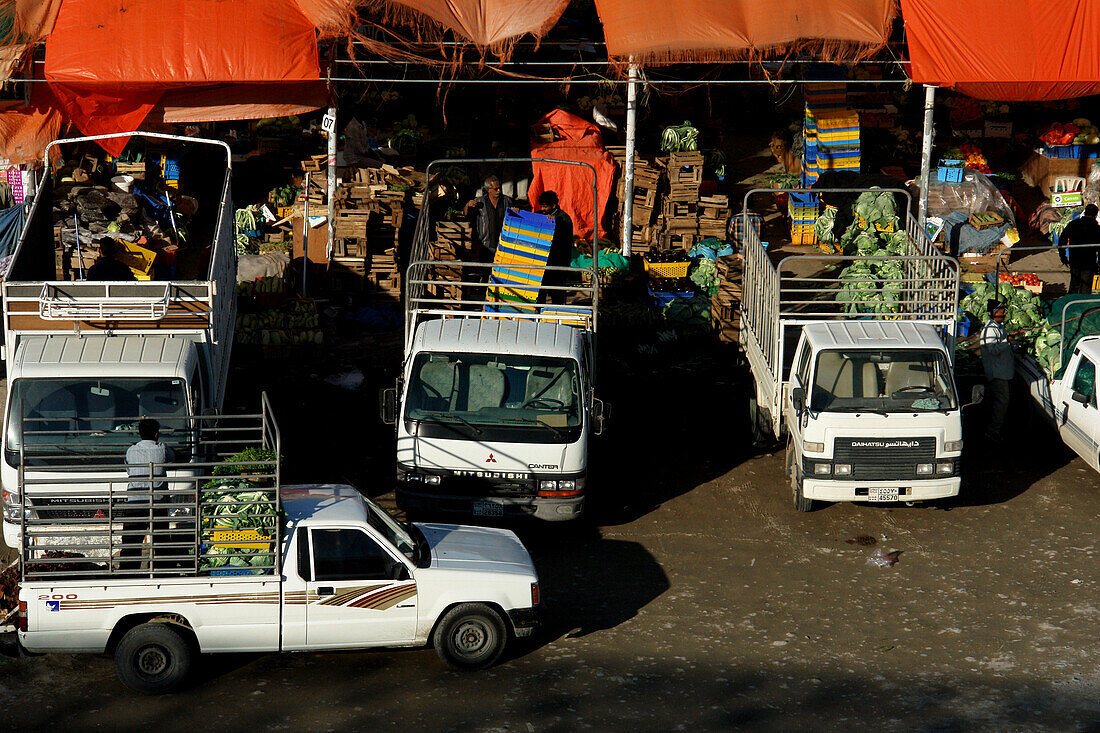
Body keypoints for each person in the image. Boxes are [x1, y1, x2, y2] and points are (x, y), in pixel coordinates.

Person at [120, 419, 176, 570]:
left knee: (131, 541)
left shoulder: (130, 451)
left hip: (135, 502)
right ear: (157, 434)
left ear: (139, 433)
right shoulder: (162, 448)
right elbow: (172, 457)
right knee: (161, 539)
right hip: (157, 502)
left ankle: (128, 571)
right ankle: (162, 570)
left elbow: (129, 469)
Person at [980, 300, 1015, 443]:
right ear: (994, 313)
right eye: (1002, 311)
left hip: (1003, 371)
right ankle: (993, 431)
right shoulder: (990, 330)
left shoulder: (999, 327)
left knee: (999, 401)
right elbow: (993, 350)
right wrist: (1007, 341)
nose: (1005, 313)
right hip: (997, 373)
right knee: (1002, 402)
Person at [464, 176, 513, 263]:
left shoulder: (506, 201)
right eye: (496, 189)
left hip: (503, 243)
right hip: (486, 244)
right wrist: (467, 205)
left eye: (499, 188)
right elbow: (466, 215)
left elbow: (513, 217)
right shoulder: (479, 202)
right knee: (486, 271)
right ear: (488, 190)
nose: (499, 191)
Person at [538, 190, 574, 305]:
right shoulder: (540, 215)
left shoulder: (564, 218)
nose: (543, 209)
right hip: (542, 264)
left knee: (557, 296)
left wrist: (553, 223)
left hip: (558, 264)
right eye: (542, 206)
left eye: (545, 206)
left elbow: (565, 244)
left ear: (553, 205)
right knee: (539, 295)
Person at [1058, 204, 1100, 294]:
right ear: (1096, 215)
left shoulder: (1074, 224)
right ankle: (1082, 305)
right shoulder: (1097, 228)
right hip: (1089, 261)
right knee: (1086, 286)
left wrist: (1063, 256)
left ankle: (1070, 305)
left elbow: (1062, 239)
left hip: (1075, 259)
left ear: (1084, 213)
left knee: (1074, 283)